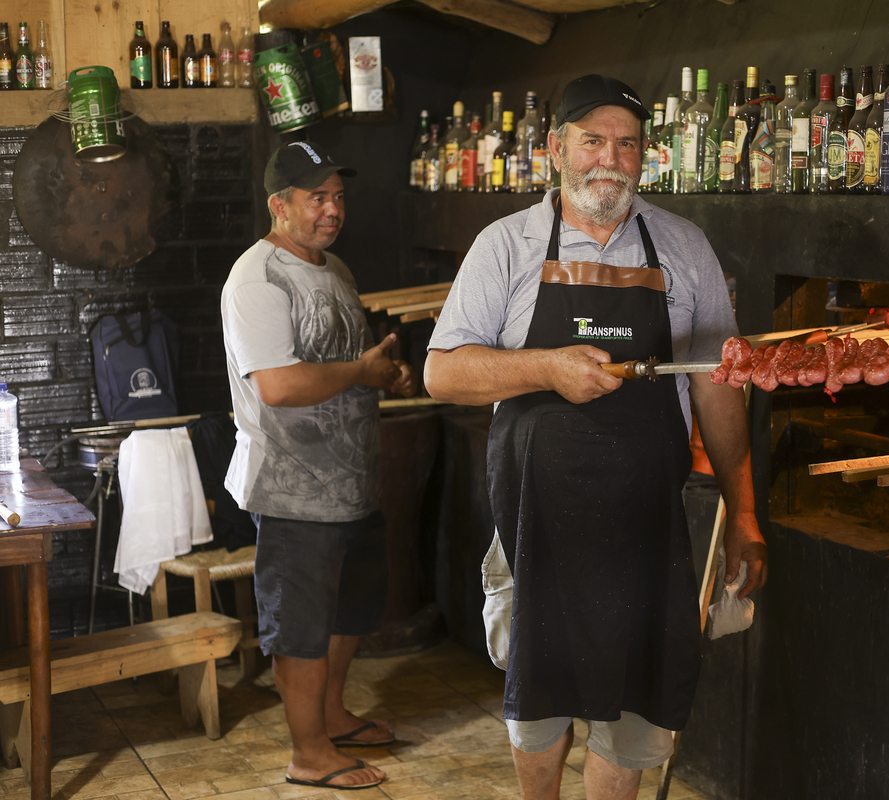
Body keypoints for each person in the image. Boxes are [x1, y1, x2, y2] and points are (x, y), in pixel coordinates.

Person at [424, 75, 768, 800]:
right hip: (537, 524)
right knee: (541, 696)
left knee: (639, 705)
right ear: (557, 149)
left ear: (645, 154)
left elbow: (718, 386)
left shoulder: (683, 247)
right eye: (592, 141)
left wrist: (743, 512)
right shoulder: (507, 245)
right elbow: (442, 373)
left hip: (645, 526)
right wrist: (546, 367)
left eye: (627, 144)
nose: (610, 159)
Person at [221, 141, 416, 791]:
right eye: (317, 198)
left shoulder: (336, 269)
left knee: (350, 611)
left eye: (338, 197)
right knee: (301, 627)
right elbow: (278, 386)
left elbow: (344, 361)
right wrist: (361, 371)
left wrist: (384, 375)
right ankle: (308, 755)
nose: (332, 210)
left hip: (350, 480)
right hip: (292, 486)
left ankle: (330, 717)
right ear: (279, 205)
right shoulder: (258, 278)